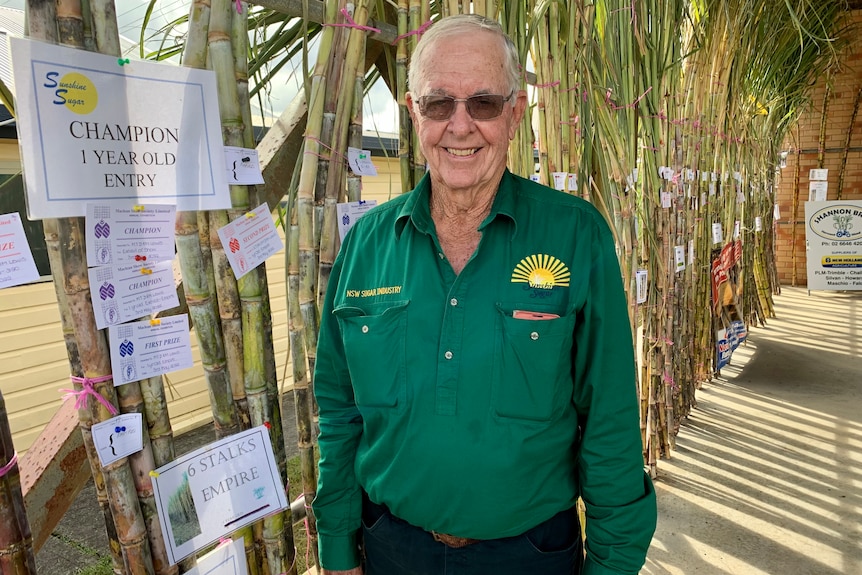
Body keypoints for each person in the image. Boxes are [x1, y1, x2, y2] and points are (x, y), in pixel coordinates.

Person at [312, 14, 656, 575]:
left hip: (530, 556)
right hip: (391, 550)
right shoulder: (367, 246)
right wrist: (337, 545)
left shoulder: (575, 235)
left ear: (516, 113)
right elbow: (339, 410)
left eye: (485, 104)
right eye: (439, 103)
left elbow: (609, 420)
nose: (461, 125)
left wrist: (613, 565)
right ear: (413, 112)